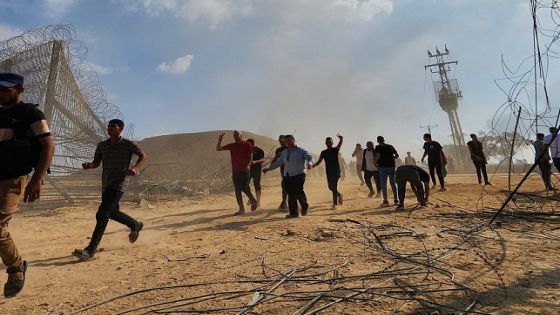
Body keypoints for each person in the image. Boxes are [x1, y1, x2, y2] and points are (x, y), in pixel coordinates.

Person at [0, 72, 55, 297]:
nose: (1, 93)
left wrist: (37, 178)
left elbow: (48, 146)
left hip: (14, 179)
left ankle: (16, 267)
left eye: (5, 89)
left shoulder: (31, 114)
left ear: (19, 90)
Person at [72, 119, 147, 261]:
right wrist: (89, 165)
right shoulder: (102, 146)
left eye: (113, 126)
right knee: (112, 212)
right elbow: (96, 163)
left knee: (102, 214)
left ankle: (90, 250)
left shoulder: (127, 144)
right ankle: (134, 224)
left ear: (121, 129)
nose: (109, 128)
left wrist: (135, 168)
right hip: (106, 183)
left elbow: (144, 155)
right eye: (109, 126)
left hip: (119, 183)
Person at [264, 135, 314, 218]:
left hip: (299, 174)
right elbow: (279, 162)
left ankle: (304, 206)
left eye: (289, 141)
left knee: (298, 191)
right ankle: (294, 213)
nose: (288, 143)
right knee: (291, 194)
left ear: (294, 140)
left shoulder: (301, 150)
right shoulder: (284, 152)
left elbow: (310, 158)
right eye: (286, 141)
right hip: (287, 175)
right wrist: (269, 168)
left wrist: (310, 163)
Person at [216, 130, 257, 215]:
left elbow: (251, 155)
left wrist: (248, 165)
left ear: (241, 135)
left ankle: (253, 200)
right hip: (235, 171)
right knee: (237, 189)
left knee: (244, 187)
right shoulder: (232, 145)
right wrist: (220, 139)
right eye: (234, 135)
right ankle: (241, 209)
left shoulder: (247, 144)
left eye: (237, 134)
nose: (235, 136)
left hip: (245, 170)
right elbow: (218, 149)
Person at [313, 134, 344, 209]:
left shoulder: (335, 150)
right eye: (327, 142)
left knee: (334, 186)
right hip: (329, 171)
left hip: (336, 171)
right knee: (330, 187)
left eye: (330, 142)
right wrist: (313, 165)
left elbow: (339, 145)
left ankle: (334, 204)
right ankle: (339, 195)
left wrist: (341, 139)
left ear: (332, 143)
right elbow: (319, 161)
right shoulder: (323, 152)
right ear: (325, 143)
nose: (328, 143)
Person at [374, 136, 399, 206]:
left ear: (378, 141)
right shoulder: (390, 146)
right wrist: (391, 158)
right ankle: (396, 199)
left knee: (383, 184)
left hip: (382, 167)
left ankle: (385, 200)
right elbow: (397, 155)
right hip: (391, 166)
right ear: (384, 140)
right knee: (393, 183)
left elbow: (377, 156)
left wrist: (375, 163)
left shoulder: (378, 147)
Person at [270, 135, 288, 209]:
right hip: (283, 170)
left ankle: (287, 202)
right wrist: (271, 166)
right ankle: (284, 202)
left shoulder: (290, 148)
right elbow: (275, 158)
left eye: (282, 141)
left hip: (292, 169)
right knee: (284, 185)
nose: (281, 142)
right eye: (280, 141)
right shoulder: (278, 150)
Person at [247, 139, 265, 207]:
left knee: (257, 184)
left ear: (252, 144)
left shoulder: (259, 150)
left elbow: (263, 160)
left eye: (248, 144)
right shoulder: (246, 150)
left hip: (256, 170)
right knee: (245, 185)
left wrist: (255, 162)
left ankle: (258, 201)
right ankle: (251, 198)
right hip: (248, 170)